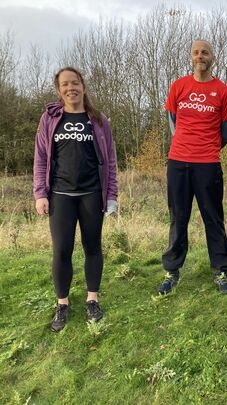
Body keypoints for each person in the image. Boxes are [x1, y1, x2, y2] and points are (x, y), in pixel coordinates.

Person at [33, 66, 118, 332]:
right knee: (61, 250)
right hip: (60, 196)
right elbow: (41, 158)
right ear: (59, 90)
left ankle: (92, 299)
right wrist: (40, 194)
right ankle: (63, 304)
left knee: (93, 247)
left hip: (92, 194)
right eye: (65, 84)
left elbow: (111, 161)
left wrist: (112, 195)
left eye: (75, 83)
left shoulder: (99, 120)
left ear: (83, 86)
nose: (71, 88)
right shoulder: (49, 119)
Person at [158, 40, 227, 295]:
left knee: (213, 217)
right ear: (191, 57)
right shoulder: (179, 86)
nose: (200, 56)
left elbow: (226, 131)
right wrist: (183, 143)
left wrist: (208, 146)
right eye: (196, 52)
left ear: (212, 57)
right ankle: (172, 270)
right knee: (178, 217)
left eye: (205, 52)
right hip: (178, 162)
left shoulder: (223, 91)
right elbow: (172, 120)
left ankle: (221, 270)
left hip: (208, 164)